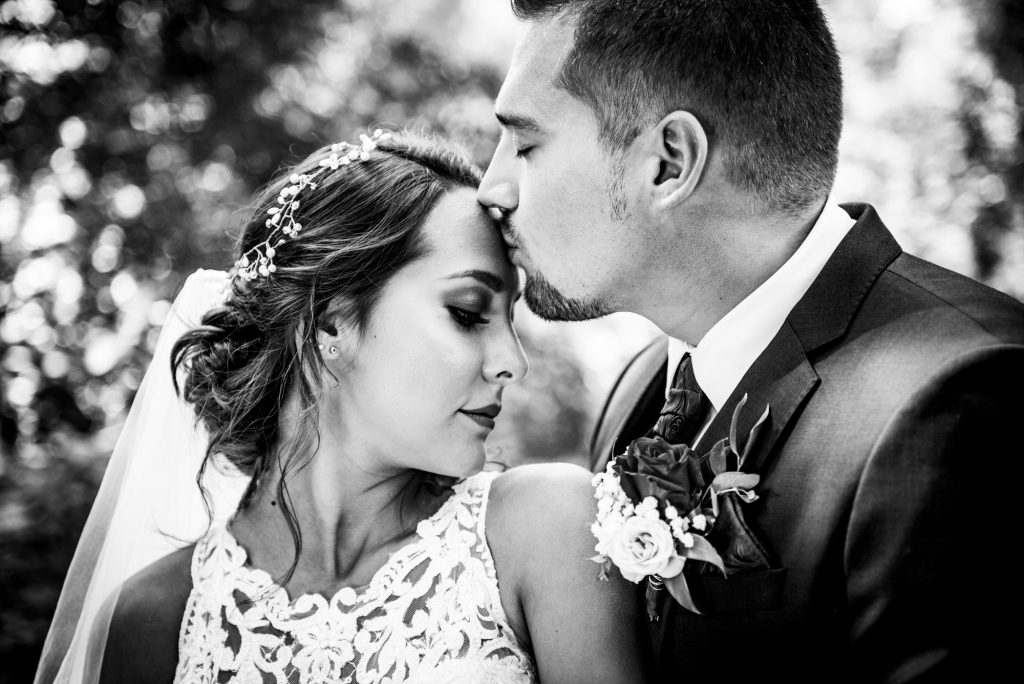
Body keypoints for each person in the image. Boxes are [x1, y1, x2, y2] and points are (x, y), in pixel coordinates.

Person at [477, 1, 1024, 682]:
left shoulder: (961, 399)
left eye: (525, 145)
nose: (492, 189)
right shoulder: (640, 387)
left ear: (669, 162)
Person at [35, 130, 646, 684]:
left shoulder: (544, 530)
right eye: (467, 313)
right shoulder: (148, 623)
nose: (512, 361)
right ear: (330, 321)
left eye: (507, 320)